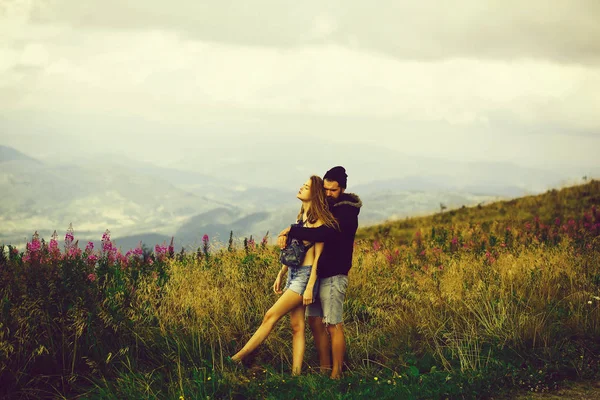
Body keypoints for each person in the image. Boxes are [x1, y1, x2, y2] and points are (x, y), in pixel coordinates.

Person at [231, 175, 339, 375]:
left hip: (305, 277)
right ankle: (296, 374)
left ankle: (237, 358)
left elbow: (317, 258)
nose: (301, 188)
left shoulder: (319, 220)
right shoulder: (301, 217)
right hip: (294, 273)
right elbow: (295, 250)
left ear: (313, 193)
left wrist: (309, 286)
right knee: (296, 327)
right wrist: (281, 273)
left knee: (270, 316)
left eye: (306, 187)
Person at [277, 166, 361, 379]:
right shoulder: (326, 206)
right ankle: (324, 368)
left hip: (334, 274)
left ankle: (336, 373)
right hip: (316, 275)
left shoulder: (347, 211)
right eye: (325, 189)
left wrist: (292, 230)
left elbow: (325, 234)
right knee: (314, 321)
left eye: (332, 190)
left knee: (333, 324)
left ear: (341, 189)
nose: (328, 194)